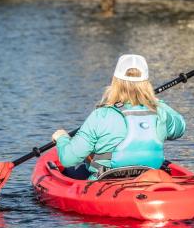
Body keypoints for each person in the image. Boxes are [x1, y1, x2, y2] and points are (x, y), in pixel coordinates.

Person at [51, 54, 186, 180]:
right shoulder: (159, 112)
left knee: (69, 170)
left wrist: (62, 138)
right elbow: (180, 126)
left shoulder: (101, 115)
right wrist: (155, 102)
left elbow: (67, 159)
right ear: (146, 83)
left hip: (106, 184)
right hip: (148, 180)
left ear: (115, 82)